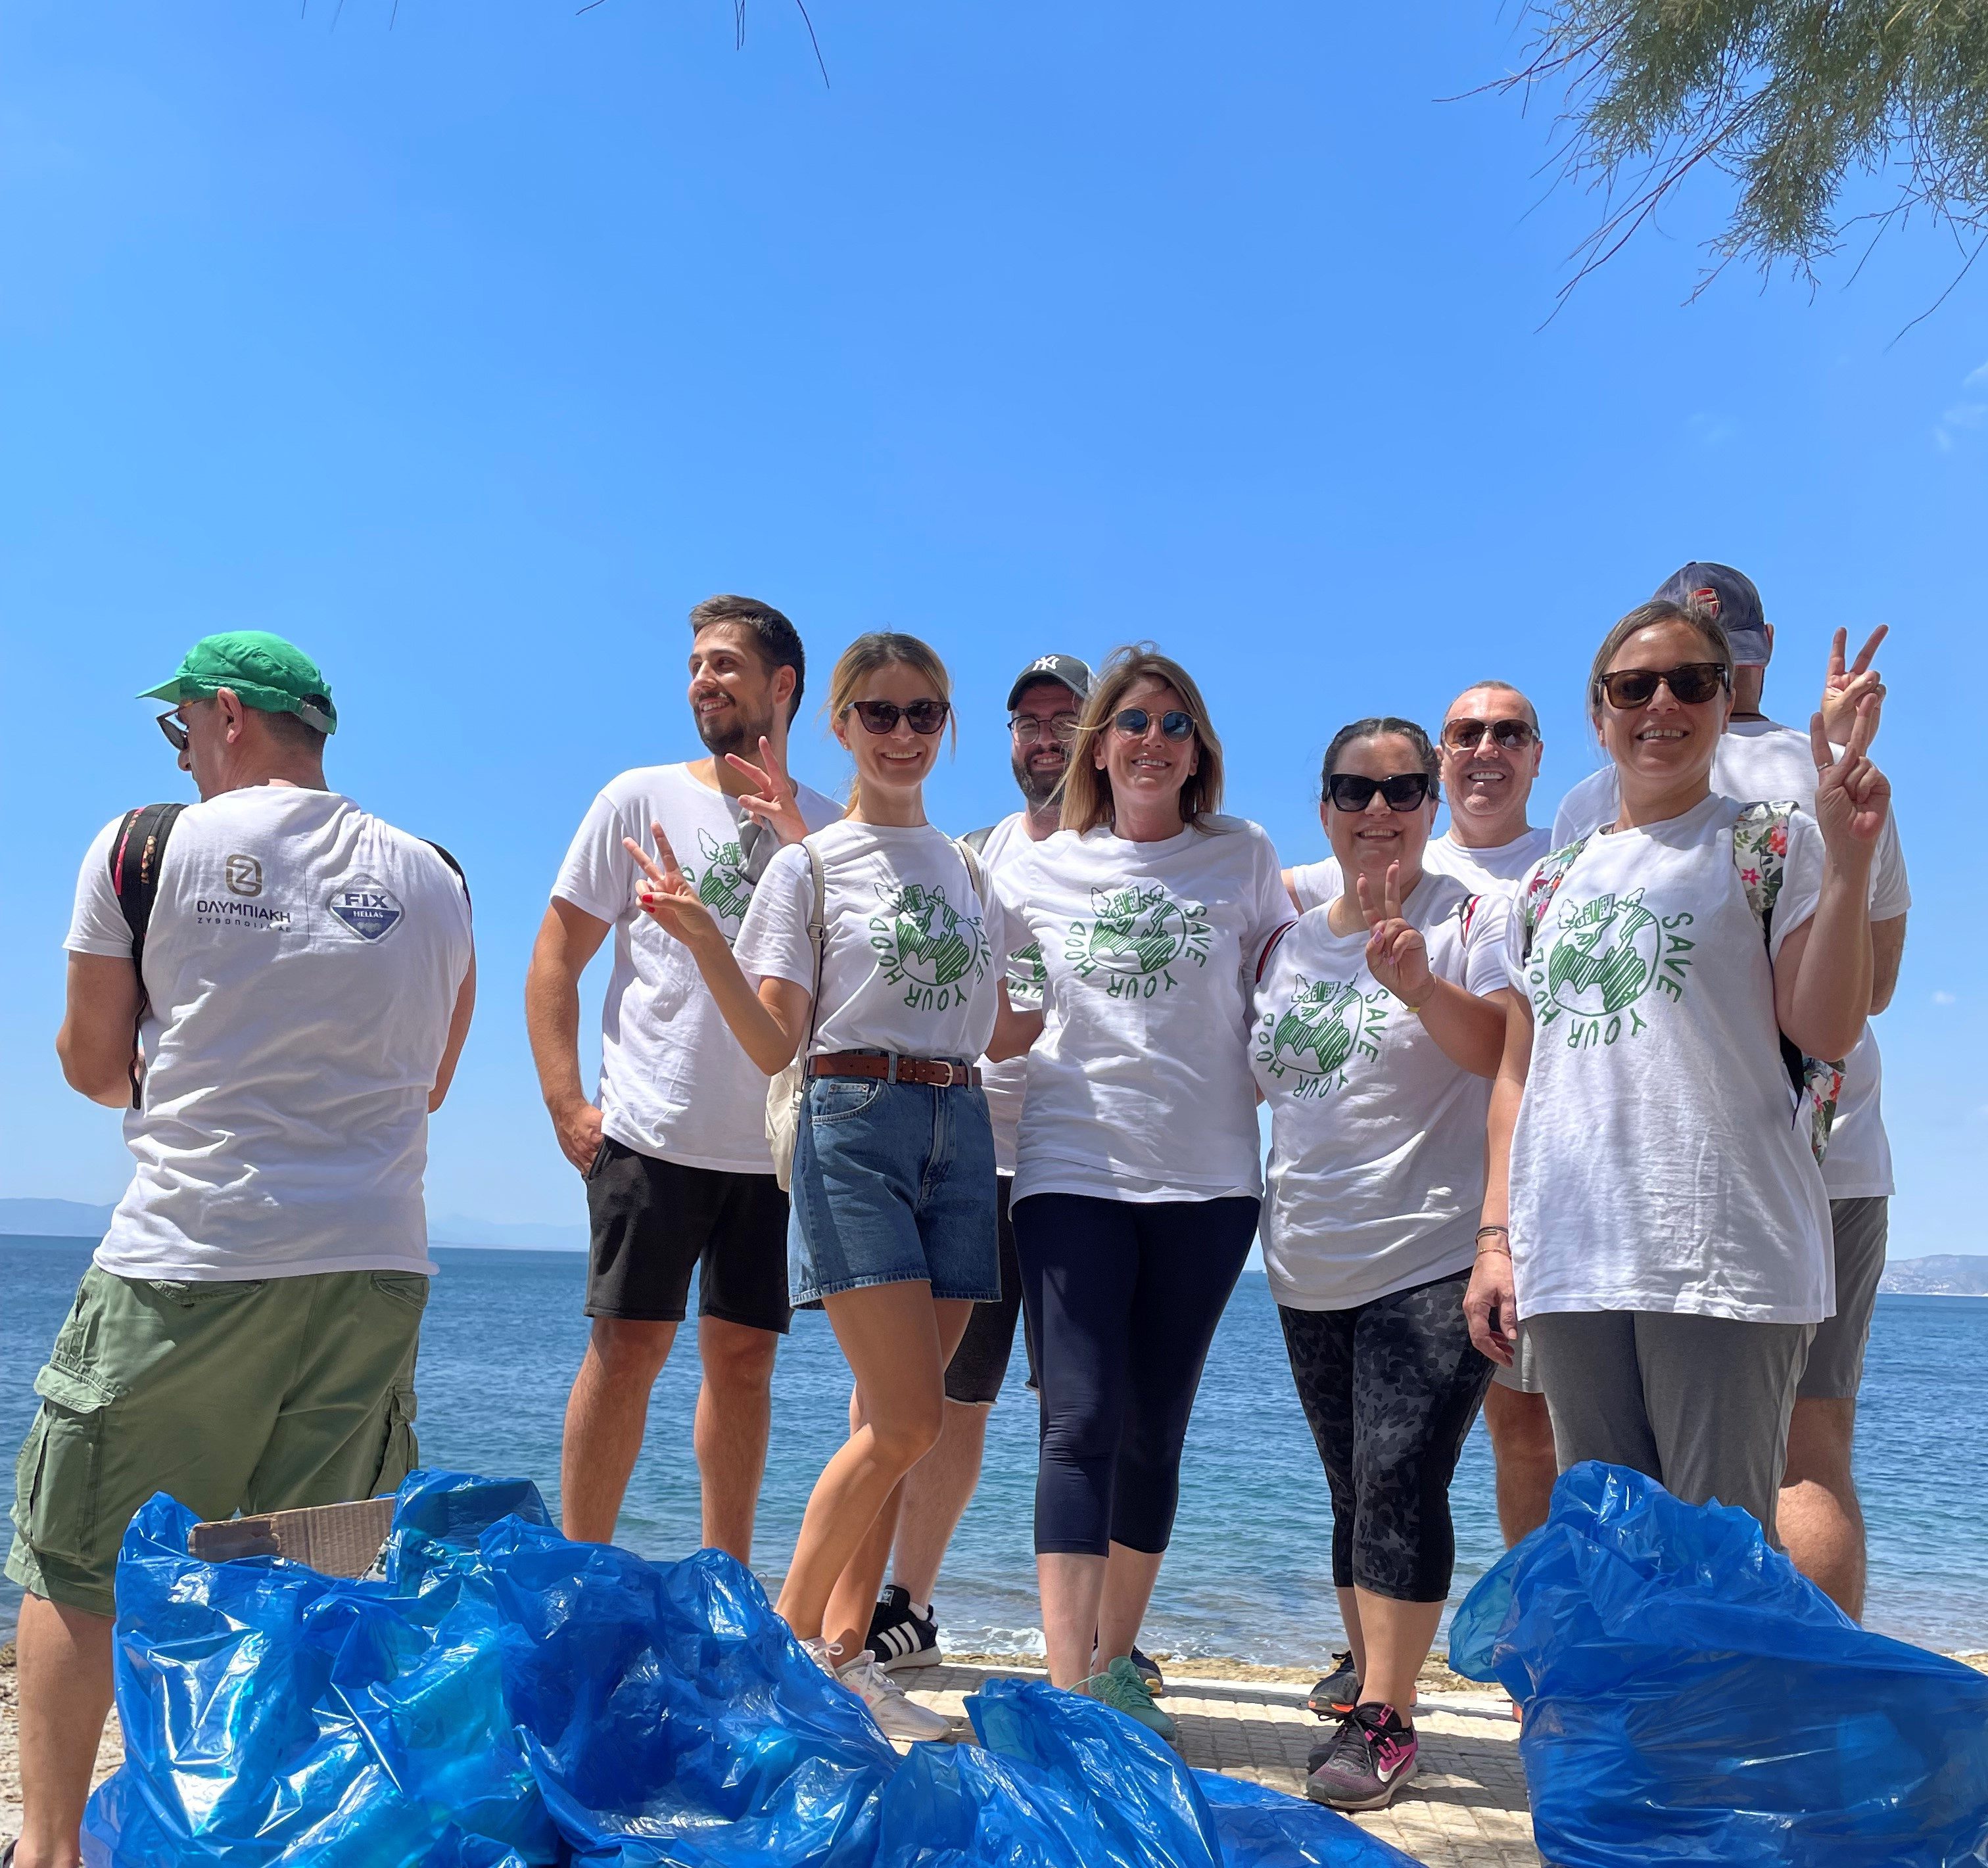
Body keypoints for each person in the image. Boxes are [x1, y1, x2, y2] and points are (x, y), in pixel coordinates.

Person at [9, 632, 475, 1868]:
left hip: (190, 1253)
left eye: (179, 730)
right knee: (299, 1579)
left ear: (228, 716)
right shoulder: (437, 876)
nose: (178, 752)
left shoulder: (143, 846)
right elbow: (430, 1081)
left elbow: (88, 1060)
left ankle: (49, 1851)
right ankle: (244, 1837)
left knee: (82, 1558)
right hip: (376, 1267)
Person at [628, 631, 1026, 1744]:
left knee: (915, 1423)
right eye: (881, 713)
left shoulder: (969, 868)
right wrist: (707, 940)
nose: (904, 734)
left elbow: (992, 1025)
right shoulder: (809, 866)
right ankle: (780, 1662)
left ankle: (841, 1660)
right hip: (854, 1121)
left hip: (961, 1124)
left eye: (925, 715)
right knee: (901, 1415)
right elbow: (772, 1042)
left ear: (946, 731)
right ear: (841, 724)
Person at [1465, 597, 1889, 1559]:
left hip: (1721, 1258)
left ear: (1724, 696)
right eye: (1634, 686)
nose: (1662, 703)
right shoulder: (1546, 885)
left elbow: (1826, 1028)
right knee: (1611, 1555)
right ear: (1600, 712)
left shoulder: (1770, 842)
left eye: (1690, 681)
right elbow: (1520, 1076)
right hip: (1576, 1258)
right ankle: (1626, 1720)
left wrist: (1852, 860)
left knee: (1714, 1561)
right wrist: (1498, 1241)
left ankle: (1728, 1721)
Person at [991, 646, 1290, 1740]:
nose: (1153, 741)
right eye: (1132, 722)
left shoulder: (1243, 855)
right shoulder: (1033, 866)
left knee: (1155, 1427)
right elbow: (986, 1007)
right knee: (1079, 1420)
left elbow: (1292, 993)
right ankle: (1070, 1688)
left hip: (1210, 1180)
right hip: (1069, 1167)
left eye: (1174, 724)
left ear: (1198, 748)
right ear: (1098, 746)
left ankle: (1118, 1663)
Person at [527, 595, 840, 1560]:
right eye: (696, 664)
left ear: (781, 686)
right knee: (627, 1355)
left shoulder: (828, 831)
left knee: (745, 1364)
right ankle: (584, 1569)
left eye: (725, 665)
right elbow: (552, 961)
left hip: (772, 1149)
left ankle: (727, 1580)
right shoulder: (638, 797)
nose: (703, 681)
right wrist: (567, 1102)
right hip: (650, 1134)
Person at [1253, 716, 1512, 1811]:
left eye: (1404, 789)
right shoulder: (1285, 940)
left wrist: (1417, 984)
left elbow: (1506, 1052)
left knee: (1405, 1476)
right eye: (1355, 790)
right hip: (1308, 1261)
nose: (1379, 810)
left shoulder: (1473, 918)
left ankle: (1390, 1717)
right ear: (1324, 808)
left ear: (1431, 803)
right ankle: (1373, 1668)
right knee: (1354, 1487)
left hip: (1433, 1250)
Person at [1285, 682, 1560, 1549]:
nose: (1489, 748)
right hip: (1417, 1214)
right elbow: (1239, 897)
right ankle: (1409, 1646)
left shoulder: (1566, 862)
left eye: (1509, 732)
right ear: (1446, 755)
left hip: (1537, 1195)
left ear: (1539, 753)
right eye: (1468, 733)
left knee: (1555, 1436)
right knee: (1412, 1458)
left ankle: (1562, 1649)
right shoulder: (1371, 866)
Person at [862, 653, 1090, 1674]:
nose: (1045, 737)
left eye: (1065, 719)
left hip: (1095, 1163)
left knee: (1091, 1403)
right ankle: (903, 1604)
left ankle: (1094, 1631)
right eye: (1027, 721)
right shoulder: (975, 856)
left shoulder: (1139, 849)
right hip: (977, 1156)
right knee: (950, 1400)